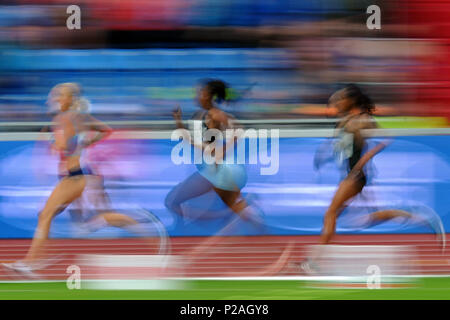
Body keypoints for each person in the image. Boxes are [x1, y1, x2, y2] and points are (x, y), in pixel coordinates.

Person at [2, 83, 149, 277]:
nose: (54, 99)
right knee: (73, 220)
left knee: (46, 216)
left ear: (70, 99)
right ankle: (141, 225)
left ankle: (32, 262)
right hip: (83, 174)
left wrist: (52, 141)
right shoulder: (81, 117)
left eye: (58, 96)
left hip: (74, 177)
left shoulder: (61, 119)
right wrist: (84, 142)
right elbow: (106, 130)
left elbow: (63, 146)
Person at [300, 84, 445, 273]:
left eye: (342, 99)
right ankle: (421, 217)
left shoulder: (363, 120)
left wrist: (364, 159)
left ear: (351, 100)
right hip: (350, 175)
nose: (338, 102)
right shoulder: (344, 121)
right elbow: (341, 146)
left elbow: (385, 139)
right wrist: (324, 157)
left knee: (331, 214)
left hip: (355, 177)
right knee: (369, 218)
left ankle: (314, 262)